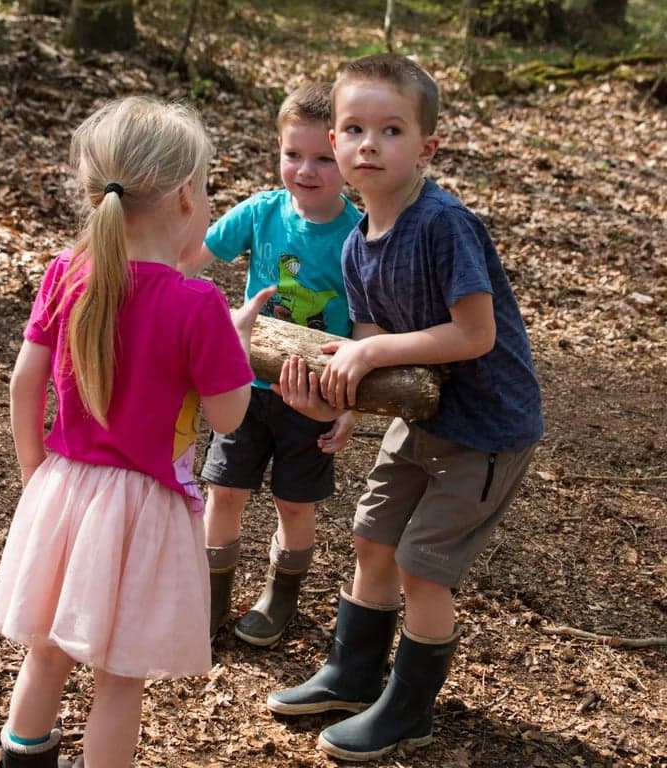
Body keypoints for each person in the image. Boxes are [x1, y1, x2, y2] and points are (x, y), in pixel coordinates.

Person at [266, 53, 544, 762]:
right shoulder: (357, 244)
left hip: (486, 427)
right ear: (333, 142)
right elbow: (370, 345)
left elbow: (474, 335)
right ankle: (353, 672)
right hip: (418, 418)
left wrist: (372, 357)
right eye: (353, 128)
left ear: (426, 148)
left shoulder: (443, 224)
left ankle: (408, 708)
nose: (368, 144)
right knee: (371, 538)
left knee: (422, 565)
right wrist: (341, 404)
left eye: (390, 130)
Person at [0, 95, 274, 768]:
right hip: (144, 509)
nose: (205, 205)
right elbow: (229, 417)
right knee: (119, 678)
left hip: (61, 491)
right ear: (181, 198)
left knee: (47, 653)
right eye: (205, 190)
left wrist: (36, 478)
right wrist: (233, 343)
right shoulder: (197, 303)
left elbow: (24, 383)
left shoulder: (66, 273)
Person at [178, 82, 363, 647]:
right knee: (224, 491)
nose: (306, 170)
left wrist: (348, 406)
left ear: (348, 157)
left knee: (293, 500)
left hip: (312, 393)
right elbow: (190, 261)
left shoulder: (358, 235)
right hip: (245, 384)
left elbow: (369, 331)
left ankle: (280, 596)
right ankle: (209, 599)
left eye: (324, 158)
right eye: (292, 155)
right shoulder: (262, 212)